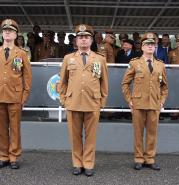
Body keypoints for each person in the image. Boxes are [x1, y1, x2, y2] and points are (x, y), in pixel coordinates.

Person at [59, 24, 108, 176]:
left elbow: (104, 83)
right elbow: (63, 82)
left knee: (91, 137)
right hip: (73, 102)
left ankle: (88, 163)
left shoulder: (100, 59)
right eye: (80, 37)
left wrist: (101, 103)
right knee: (75, 137)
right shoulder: (68, 58)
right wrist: (64, 100)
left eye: (86, 37)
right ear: (76, 41)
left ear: (91, 40)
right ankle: (77, 163)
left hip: (93, 102)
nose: (83, 40)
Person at [0, 19, 32, 169]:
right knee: (1, 128)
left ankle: (14, 157)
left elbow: (27, 77)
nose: (7, 32)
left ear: (16, 34)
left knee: (15, 128)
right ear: (2, 33)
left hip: (15, 97)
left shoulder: (22, 53)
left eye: (11, 31)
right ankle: (3, 156)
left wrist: (24, 97)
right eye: (5, 30)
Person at [122, 32, 168, 171]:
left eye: (152, 44)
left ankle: (150, 158)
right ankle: (138, 158)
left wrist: (161, 101)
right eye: (147, 44)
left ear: (155, 47)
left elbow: (164, 87)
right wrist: (129, 100)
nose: (150, 46)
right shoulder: (134, 63)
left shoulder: (160, 65)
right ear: (142, 47)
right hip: (138, 103)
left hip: (154, 103)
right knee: (138, 133)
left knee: (152, 133)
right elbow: (125, 83)